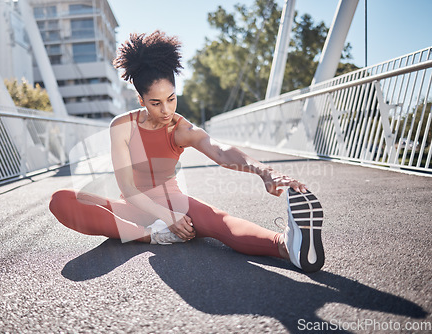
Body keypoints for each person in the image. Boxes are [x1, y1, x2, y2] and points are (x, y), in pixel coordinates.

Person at [49, 31, 324, 273]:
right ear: (141, 99)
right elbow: (128, 189)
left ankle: (288, 246)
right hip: (133, 208)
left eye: (171, 99)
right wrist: (166, 223)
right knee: (62, 200)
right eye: (155, 103)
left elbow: (220, 150)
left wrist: (266, 172)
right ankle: (150, 236)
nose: (166, 110)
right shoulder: (121, 127)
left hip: (174, 203)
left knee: (220, 223)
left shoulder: (180, 129)